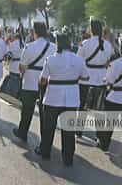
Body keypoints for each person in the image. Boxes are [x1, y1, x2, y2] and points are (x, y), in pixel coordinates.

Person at [39, 33, 89, 166]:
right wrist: (73, 78)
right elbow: (86, 77)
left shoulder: (51, 59)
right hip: (72, 97)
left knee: (49, 126)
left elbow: (43, 80)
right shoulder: (78, 59)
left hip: (53, 97)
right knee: (68, 130)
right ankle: (68, 157)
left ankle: (45, 152)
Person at [12, 22, 57, 144]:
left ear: (34, 32)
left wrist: (22, 75)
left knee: (27, 110)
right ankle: (45, 141)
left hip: (30, 81)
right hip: (46, 82)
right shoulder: (53, 47)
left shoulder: (29, 46)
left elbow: (21, 66)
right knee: (45, 115)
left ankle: (23, 132)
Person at [76, 19, 114, 137]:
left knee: (83, 107)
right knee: (99, 110)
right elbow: (109, 60)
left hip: (86, 79)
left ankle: (79, 130)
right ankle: (99, 134)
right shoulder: (107, 45)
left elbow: (79, 60)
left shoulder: (85, 43)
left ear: (91, 29)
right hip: (101, 79)